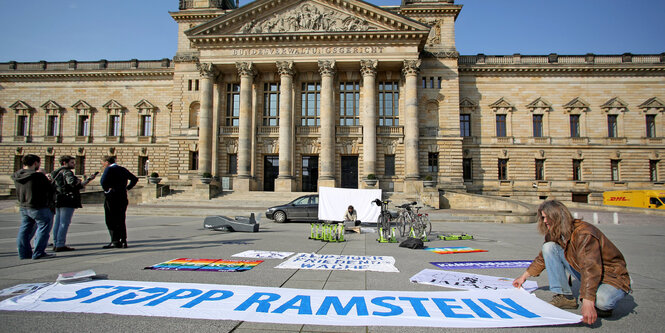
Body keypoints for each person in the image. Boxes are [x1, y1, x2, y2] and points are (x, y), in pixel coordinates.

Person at [512, 200, 631, 325]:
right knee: (549, 247)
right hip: (582, 269)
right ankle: (565, 297)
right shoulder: (555, 230)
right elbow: (542, 258)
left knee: (602, 303)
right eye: (543, 217)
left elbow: (590, 268)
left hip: (611, 276)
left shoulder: (584, 234)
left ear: (557, 217)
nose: (545, 221)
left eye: (547, 217)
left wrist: (588, 300)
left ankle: (612, 295)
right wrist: (524, 276)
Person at [12, 154, 55, 259]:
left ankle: (24, 254)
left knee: (24, 230)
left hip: (24, 206)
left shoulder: (17, 175)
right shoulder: (38, 176)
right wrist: (47, 178)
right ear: (35, 163)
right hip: (39, 206)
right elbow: (50, 189)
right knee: (43, 229)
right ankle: (39, 253)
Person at [50, 155, 97, 252]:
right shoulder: (67, 172)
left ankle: (56, 243)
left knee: (58, 223)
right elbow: (73, 184)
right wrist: (82, 181)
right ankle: (60, 244)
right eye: (72, 162)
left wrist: (87, 180)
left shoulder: (55, 172)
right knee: (64, 223)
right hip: (67, 199)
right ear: (64, 163)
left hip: (58, 199)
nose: (74, 164)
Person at [100, 156, 138, 249]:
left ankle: (115, 241)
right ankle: (123, 240)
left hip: (112, 197)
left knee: (110, 219)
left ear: (107, 162)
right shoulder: (122, 169)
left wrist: (107, 190)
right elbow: (134, 179)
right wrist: (127, 188)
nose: (102, 164)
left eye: (102, 162)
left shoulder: (109, 169)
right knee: (121, 219)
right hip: (122, 196)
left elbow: (103, 182)